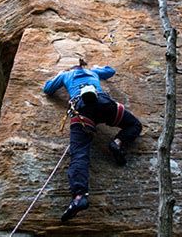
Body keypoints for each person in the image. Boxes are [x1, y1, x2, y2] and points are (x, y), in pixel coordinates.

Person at [43, 59, 142, 222]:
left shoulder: (67, 75)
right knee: (134, 124)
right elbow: (111, 71)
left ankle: (79, 196)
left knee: (79, 155)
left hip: (82, 109)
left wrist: (59, 75)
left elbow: (47, 89)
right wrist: (96, 68)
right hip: (103, 102)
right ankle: (117, 143)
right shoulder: (93, 72)